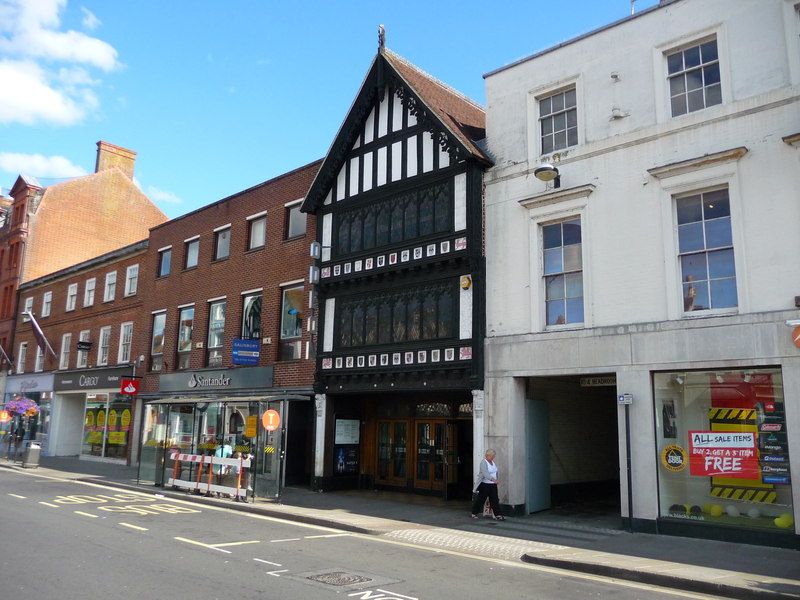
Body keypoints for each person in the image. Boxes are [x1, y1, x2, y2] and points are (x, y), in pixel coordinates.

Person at [471, 448, 505, 520]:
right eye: (492, 456)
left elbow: (495, 472)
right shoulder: (483, 462)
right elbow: (485, 473)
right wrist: (493, 479)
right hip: (485, 484)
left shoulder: (493, 462)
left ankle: (498, 515)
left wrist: (496, 480)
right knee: (481, 499)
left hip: (493, 485)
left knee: (495, 499)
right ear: (488, 455)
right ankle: (474, 513)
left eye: (493, 456)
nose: (493, 457)